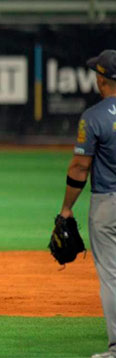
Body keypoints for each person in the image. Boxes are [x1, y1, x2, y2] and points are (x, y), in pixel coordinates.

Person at [58, 50, 116, 358]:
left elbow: (80, 167)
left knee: (111, 275)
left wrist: (67, 208)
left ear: (101, 79)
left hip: (108, 202)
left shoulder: (94, 117)